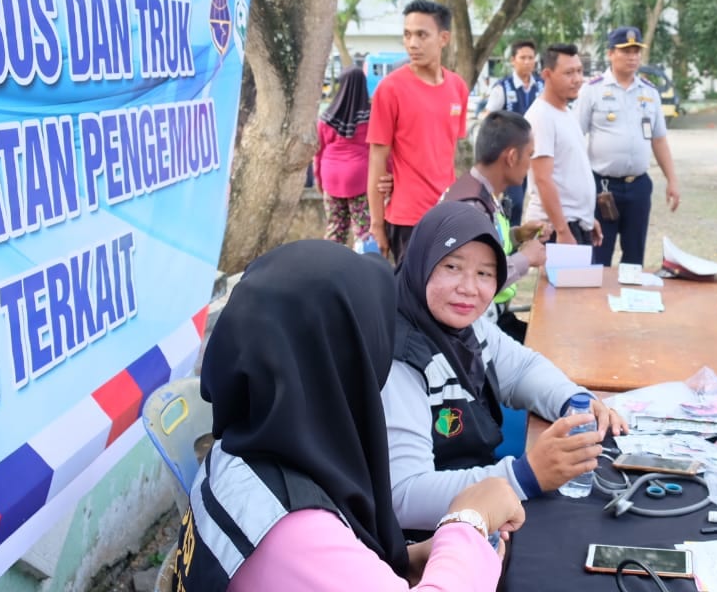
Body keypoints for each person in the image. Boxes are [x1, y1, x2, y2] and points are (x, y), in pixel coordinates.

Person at [172, 240, 524, 591]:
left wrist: (405, 558)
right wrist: (468, 523)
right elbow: (304, 553)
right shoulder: (295, 529)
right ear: (346, 366)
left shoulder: (237, 453)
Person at [382, 202, 626, 533]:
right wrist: (524, 476)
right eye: (452, 267)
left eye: (484, 273)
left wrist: (575, 403)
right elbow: (404, 497)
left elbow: (522, 369)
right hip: (429, 543)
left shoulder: (464, 323)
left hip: (479, 503)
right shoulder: (399, 361)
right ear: (420, 262)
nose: (469, 288)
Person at [367, 0, 470, 262]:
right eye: (407, 34)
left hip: (446, 214)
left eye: (422, 35)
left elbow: (448, 154)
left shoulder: (458, 87)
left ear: (443, 38)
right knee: (408, 298)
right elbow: (377, 159)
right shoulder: (390, 89)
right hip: (406, 219)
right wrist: (377, 225)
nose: (412, 43)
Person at [576, 26, 681, 266]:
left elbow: (659, 139)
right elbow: (576, 137)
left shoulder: (649, 92)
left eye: (636, 51)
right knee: (598, 257)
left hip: (638, 187)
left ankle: (629, 302)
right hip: (602, 186)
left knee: (634, 258)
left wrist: (672, 180)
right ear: (610, 53)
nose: (633, 57)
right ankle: (597, 304)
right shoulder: (592, 90)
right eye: (626, 51)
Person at [442, 112, 548, 340]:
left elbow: (487, 244)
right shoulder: (472, 206)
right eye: (529, 155)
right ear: (511, 157)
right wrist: (526, 258)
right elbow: (477, 278)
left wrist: (518, 235)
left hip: (490, 317)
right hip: (476, 329)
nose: (530, 164)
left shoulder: (480, 190)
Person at [525, 44, 603, 247]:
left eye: (579, 71)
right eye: (569, 73)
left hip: (575, 223)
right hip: (557, 229)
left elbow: (569, 170)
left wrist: (586, 218)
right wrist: (562, 230)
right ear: (547, 74)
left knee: (582, 280)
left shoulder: (566, 112)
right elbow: (543, 179)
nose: (577, 79)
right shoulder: (541, 116)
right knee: (562, 281)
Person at [484, 40, 544, 227]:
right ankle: (510, 244)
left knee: (541, 199)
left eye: (531, 58)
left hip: (539, 153)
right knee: (514, 202)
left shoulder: (542, 86)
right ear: (513, 60)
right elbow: (489, 118)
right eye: (523, 58)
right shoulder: (503, 87)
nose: (527, 62)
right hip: (513, 156)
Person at [315, 66, 372, 246]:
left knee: (335, 227)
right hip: (360, 178)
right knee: (363, 230)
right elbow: (382, 151)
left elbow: (318, 153)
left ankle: (329, 269)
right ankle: (364, 269)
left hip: (331, 176)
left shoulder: (326, 118)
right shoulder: (371, 117)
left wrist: (319, 180)